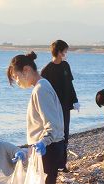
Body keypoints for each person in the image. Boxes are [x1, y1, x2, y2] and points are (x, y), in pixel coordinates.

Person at [7, 51, 65, 184]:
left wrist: (42, 143)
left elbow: (52, 124)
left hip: (48, 149)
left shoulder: (41, 89)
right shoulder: (41, 87)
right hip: (44, 148)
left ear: (26, 70)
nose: (17, 82)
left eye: (16, 77)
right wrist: (28, 150)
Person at [41, 40, 79, 172]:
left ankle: (62, 164)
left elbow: (70, 84)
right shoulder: (47, 70)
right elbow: (43, 91)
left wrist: (75, 100)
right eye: (65, 51)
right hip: (53, 109)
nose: (66, 54)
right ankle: (53, 163)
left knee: (64, 134)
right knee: (55, 134)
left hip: (66, 106)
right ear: (59, 51)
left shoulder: (65, 66)